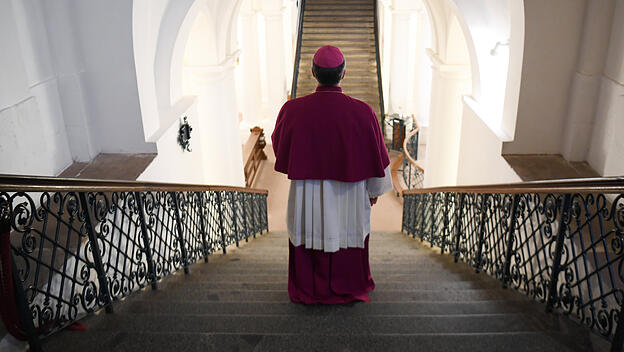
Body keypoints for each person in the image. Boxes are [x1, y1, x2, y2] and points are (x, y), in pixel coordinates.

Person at [272, 45, 393, 304]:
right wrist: (373, 191)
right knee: (347, 232)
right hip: (349, 194)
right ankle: (348, 284)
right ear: (344, 73)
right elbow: (378, 154)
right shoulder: (364, 112)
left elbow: (280, 145)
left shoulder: (291, 110)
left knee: (308, 231)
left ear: (313, 73)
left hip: (307, 192)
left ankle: (309, 286)